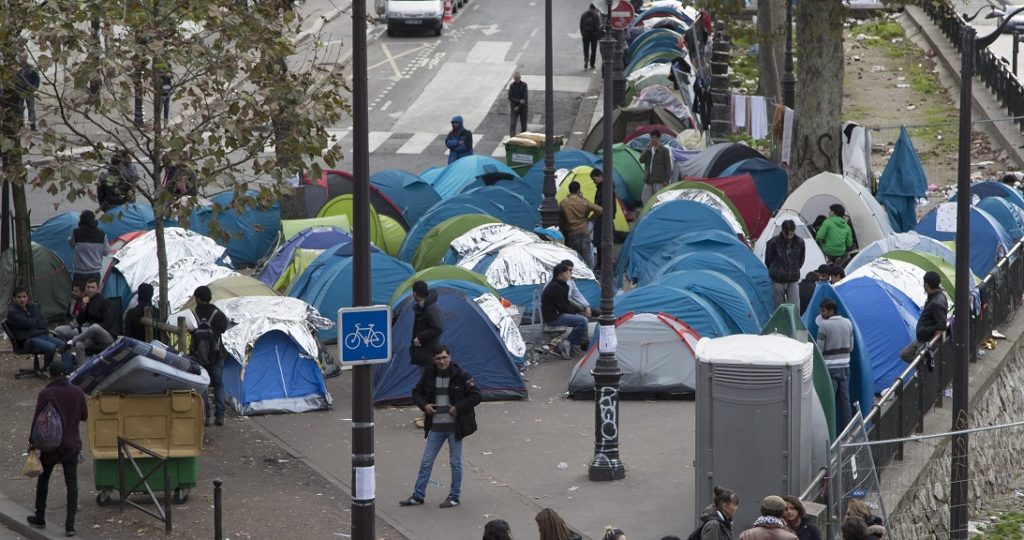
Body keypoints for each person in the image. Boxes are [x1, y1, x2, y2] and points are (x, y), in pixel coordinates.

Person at [399, 345, 481, 509]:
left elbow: (477, 395)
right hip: (436, 426)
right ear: (434, 360)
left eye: (444, 357)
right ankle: (418, 495)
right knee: (426, 462)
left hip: (454, 427)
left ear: (450, 357)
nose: (442, 361)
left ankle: (454, 496)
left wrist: (457, 408)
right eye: (438, 359)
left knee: (455, 463)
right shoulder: (429, 374)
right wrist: (425, 406)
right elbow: (416, 393)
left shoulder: (461, 375)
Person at [27, 361, 87, 537]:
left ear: (51, 375)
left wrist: (32, 442)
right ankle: (70, 525)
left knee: (43, 479)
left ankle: (40, 516)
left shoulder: (46, 393)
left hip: (51, 445)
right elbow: (84, 416)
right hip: (72, 445)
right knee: (72, 483)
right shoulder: (77, 391)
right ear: (66, 374)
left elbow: (38, 420)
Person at [189, 285, 229, 427]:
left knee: (202, 386)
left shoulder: (192, 315)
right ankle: (220, 416)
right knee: (218, 384)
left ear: (199, 299)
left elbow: (189, 331)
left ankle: (206, 417)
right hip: (216, 354)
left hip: (199, 356)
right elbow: (224, 328)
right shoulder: (217, 314)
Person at [816, 298, 854, 430]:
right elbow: (851, 347)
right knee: (845, 401)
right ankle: (847, 430)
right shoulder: (848, 323)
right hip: (845, 367)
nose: (821, 314)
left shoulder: (823, 326)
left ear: (831, 310)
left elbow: (819, 350)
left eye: (823, 311)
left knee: (829, 401)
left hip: (829, 368)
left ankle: (829, 431)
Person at [6, 287, 66, 371]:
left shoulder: (31, 307)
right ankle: (47, 369)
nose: (22, 299)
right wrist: (36, 320)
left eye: (24, 296)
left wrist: (34, 322)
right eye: (19, 297)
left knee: (64, 345)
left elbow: (45, 321)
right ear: (14, 299)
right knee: (51, 347)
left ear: (27, 297)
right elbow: (28, 323)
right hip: (28, 339)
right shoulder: (12, 313)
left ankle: (68, 371)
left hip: (42, 335)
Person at [540, 263, 589, 357]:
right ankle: (568, 343)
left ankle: (579, 344)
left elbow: (565, 304)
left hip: (559, 313)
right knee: (582, 321)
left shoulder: (563, 285)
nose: (569, 275)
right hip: (553, 317)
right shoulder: (554, 287)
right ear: (560, 275)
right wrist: (575, 314)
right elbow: (563, 306)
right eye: (567, 273)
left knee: (582, 319)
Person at [899, 271, 948, 366]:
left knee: (917, 359)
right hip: (921, 338)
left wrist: (928, 334)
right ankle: (925, 366)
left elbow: (941, 325)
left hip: (926, 340)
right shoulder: (934, 297)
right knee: (904, 354)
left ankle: (926, 368)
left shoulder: (936, 302)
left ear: (926, 285)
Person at [65, 277, 113, 367]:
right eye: (88, 287)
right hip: (93, 336)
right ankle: (80, 373)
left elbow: (108, 324)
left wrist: (91, 332)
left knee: (95, 327)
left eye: (92, 287)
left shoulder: (105, 301)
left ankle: (73, 340)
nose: (90, 290)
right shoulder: (88, 300)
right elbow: (80, 321)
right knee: (79, 345)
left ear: (98, 288)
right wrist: (83, 307)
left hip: (106, 335)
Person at [559, 181, 602, 268]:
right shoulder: (584, 202)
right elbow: (599, 210)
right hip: (583, 231)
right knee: (586, 256)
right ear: (578, 190)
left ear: (569, 190)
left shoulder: (563, 203)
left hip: (571, 232)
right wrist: (590, 218)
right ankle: (588, 275)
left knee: (574, 257)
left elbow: (561, 220)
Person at [765, 219, 806, 308]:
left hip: (793, 279)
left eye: (791, 234)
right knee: (779, 308)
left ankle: (794, 322)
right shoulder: (773, 242)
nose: (788, 237)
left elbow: (801, 259)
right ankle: (780, 322)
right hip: (777, 279)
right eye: (786, 234)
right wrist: (776, 270)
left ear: (794, 231)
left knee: (795, 307)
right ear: (782, 231)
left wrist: (794, 268)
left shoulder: (800, 242)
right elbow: (768, 260)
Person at [67, 210, 107, 283]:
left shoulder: (76, 233)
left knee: (78, 293)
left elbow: (70, 243)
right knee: (92, 293)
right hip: (95, 272)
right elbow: (106, 252)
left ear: (81, 220)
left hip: (80, 272)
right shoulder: (102, 234)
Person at [410, 281, 444, 367]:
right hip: (424, 353)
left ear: (414, 293)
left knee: (429, 378)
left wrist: (420, 337)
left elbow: (438, 328)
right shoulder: (422, 306)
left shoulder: (430, 308)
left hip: (428, 354)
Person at [590, 169, 617, 270]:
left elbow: (601, 206)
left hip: (602, 218)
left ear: (600, 176)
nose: (594, 182)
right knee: (604, 241)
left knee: (601, 241)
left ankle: (602, 264)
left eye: (594, 179)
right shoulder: (607, 187)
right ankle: (605, 262)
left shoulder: (603, 188)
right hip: (607, 217)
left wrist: (591, 217)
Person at [639, 130, 672, 203]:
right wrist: (647, 150)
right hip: (648, 179)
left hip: (659, 180)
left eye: (653, 137)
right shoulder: (648, 149)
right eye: (651, 138)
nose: (651, 140)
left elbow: (668, 167)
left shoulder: (664, 151)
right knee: (645, 199)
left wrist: (666, 180)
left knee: (659, 200)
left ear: (658, 138)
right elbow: (641, 160)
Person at [16, 51, 40, 131]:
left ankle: (33, 126)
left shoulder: (31, 67)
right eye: (21, 57)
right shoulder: (16, 68)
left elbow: (37, 79)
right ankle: (20, 124)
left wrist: (33, 88)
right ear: (19, 58)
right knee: (19, 108)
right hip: (19, 91)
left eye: (24, 57)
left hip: (29, 92)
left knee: (31, 109)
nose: (22, 59)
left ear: (27, 57)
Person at [579, 5, 603, 70]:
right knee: (593, 50)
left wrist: (582, 33)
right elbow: (598, 26)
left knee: (586, 48)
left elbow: (581, 25)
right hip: (593, 35)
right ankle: (592, 64)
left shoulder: (584, 15)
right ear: (595, 8)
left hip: (585, 34)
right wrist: (597, 34)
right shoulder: (596, 15)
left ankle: (586, 59)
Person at [508, 71, 528, 137]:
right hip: (514, 108)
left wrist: (518, 106)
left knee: (524, 126)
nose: (516, 79)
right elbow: (510, 97)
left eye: (517, 78)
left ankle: (523, 138)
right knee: (512, 124)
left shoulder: (524, 85)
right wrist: (519, 101)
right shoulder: (512, 86)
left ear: (520, 77)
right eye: (515, 78)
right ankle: (512, 139)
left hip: (522, 108)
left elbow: (525, 98)